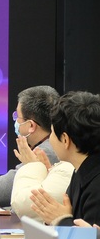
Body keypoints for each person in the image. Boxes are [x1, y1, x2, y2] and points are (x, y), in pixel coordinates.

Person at [29, 91, 100, 228]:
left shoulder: (96, 186)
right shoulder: (81, 170)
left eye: (52, 133)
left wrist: (61, 220)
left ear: (65, 140)